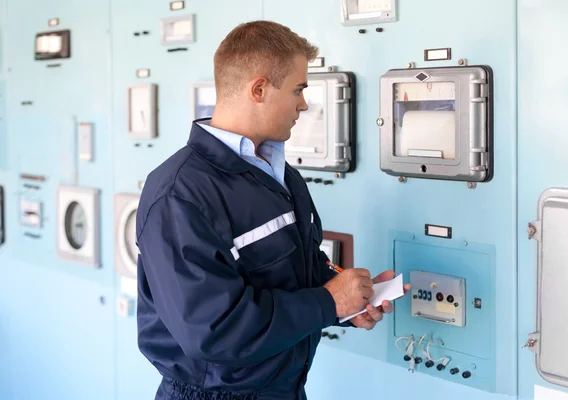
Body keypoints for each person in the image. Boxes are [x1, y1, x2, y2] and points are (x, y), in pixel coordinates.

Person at [135, 20, 409, 400]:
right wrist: (328, 302)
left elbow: (294, 274)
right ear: (259, 89)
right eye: (298, 90)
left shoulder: (282, 177)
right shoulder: (179, 194)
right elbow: (213, 329)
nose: (304, 103)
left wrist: (348, 304)